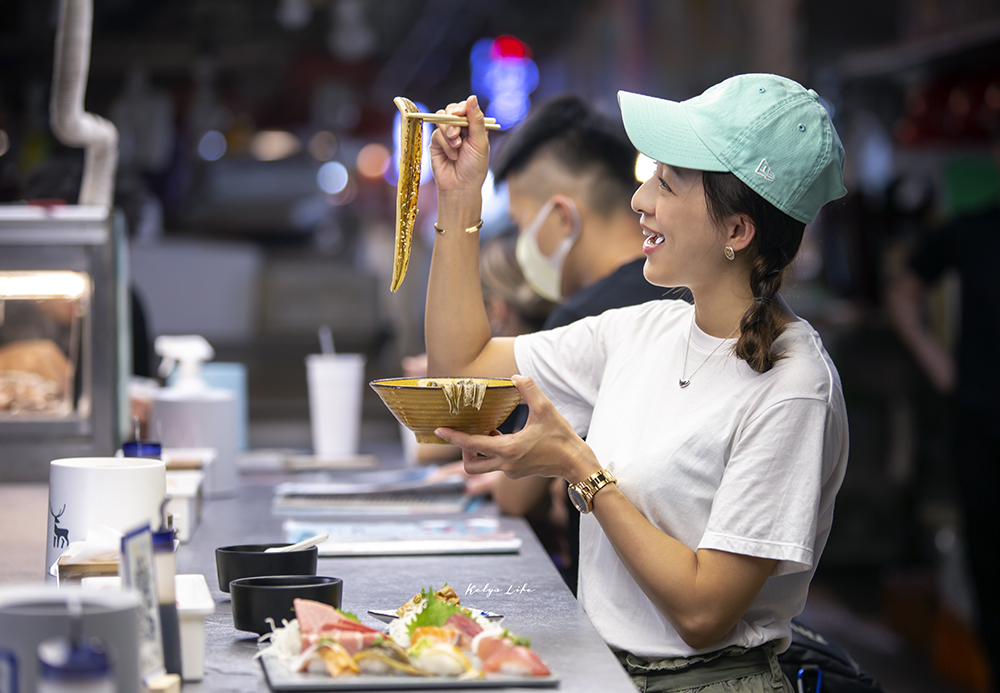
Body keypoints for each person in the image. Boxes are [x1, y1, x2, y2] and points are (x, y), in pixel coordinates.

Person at [424, 74, 849, 692]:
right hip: (604, 671)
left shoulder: (794, 386)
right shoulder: (641, 331)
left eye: (667, 185)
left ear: (736, 231)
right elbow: (461, 364)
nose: (639, 201)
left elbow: (705, 613)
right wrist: (460, 201)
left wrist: (581, 470)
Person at [490, 95, 692, 591]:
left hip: (625, 619)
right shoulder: (701, 294)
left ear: (562, 217)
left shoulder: (584, 319)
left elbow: (512, 494)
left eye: (520, 227)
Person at [886, 137, 1000, 691]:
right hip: (982, 423)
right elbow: (903, 293)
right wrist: (941, 367)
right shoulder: (972, 230)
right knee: (989, 564)